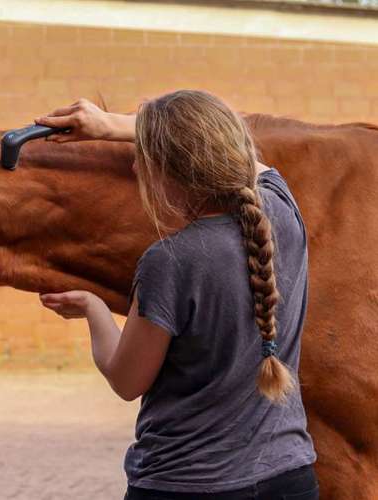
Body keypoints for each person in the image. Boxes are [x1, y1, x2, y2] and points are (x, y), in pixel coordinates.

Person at [36, 91, 318, 500]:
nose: (134, 163)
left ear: (167, 170)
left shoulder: (170, 261)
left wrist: (93, 308)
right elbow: (241, 153)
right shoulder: (282, 211)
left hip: (185, 485)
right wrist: (116, 125)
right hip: (290, 478)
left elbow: (126, 379)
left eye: (144, 156)